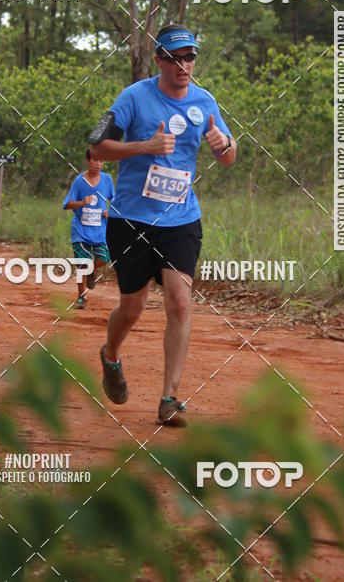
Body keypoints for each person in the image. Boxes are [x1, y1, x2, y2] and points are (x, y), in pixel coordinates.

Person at [89, 23, 236, 426]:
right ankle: (111, 355)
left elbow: (228, 153)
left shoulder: (205, 102)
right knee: (133, 306)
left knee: (179, 301)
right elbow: (96, 146)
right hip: (131, 219)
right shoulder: (133, 98)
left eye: (189, 56)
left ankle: (170, 398)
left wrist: (226, 147)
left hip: (181, 220)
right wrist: (144, 146)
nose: (183, 64)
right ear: (159, 60)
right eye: (174, 57)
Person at [63, 149, 115, 308]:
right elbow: (67, 204)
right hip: (80, 231)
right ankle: (81, 297)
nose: (98, 164)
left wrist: (110, 211)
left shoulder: (107, 180)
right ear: (87, 161)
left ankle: (91, 269)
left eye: (101, 161)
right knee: (81, 264)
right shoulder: (79, 181)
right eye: (95, 160)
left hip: (99, 231)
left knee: (103, 259)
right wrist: (82, 203)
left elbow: (115, 200)